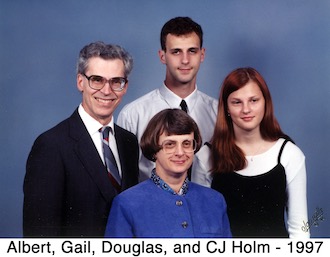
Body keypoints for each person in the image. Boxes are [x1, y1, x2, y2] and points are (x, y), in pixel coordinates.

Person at [23, 41, 139, 237]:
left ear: (125, 86)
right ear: (80, 82)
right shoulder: (51, 145)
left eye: (116, 81)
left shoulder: (129, 142)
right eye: (97, 80)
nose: (106, 91)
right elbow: (39, 239)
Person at [192, 67, 309, 238]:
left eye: (253, 100)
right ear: (226, 108)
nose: (246, 109)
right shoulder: (206, 156)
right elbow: (201, 228)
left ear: (265, 103)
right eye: (237, 102)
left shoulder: (289, 154)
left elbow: (301, 228)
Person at [117, 17, 218, 181]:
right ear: (162, 56)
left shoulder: (219, 113)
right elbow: (124, 181)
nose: (185, 60)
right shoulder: (133, 115)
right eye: (176, 51)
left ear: (202, 54)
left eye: (192, 51)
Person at [104, 109, 232, 238]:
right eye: (170, 144)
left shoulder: (215, 201)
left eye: (187, 144)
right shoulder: (126, 203)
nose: (180, 152)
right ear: (154, 150)